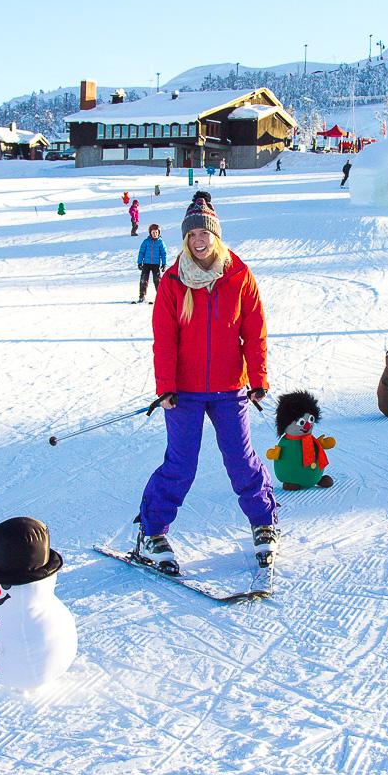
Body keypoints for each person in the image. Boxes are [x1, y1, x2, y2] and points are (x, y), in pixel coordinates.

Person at [136, 199, 277, 573]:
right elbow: (164, 339)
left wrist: (259, 377)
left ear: (216, 234)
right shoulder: (171, 281)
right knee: (181, 463)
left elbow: (254, 331)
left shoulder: (239, 275)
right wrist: (165, 386)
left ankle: (264, 523)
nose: (199, 240)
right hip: (184, 392)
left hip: (231, 388)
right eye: (192, 234)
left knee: (241, 460)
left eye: (205, 233)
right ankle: (152, 531)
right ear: (185, 239)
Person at [135, 223, 167, 304]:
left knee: (157, 280)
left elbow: (163, 253)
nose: (155, 234)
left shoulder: (160, 242)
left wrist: (164, 264)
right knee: (143, 279)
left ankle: (161, 297)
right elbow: (141, 252)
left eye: (156, 232)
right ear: (150, 233)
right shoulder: (146, 242)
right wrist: (139, 262)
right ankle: (142, 296)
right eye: (153, 232)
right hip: (146, 264)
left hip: (156, 264)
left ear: (159, 233)